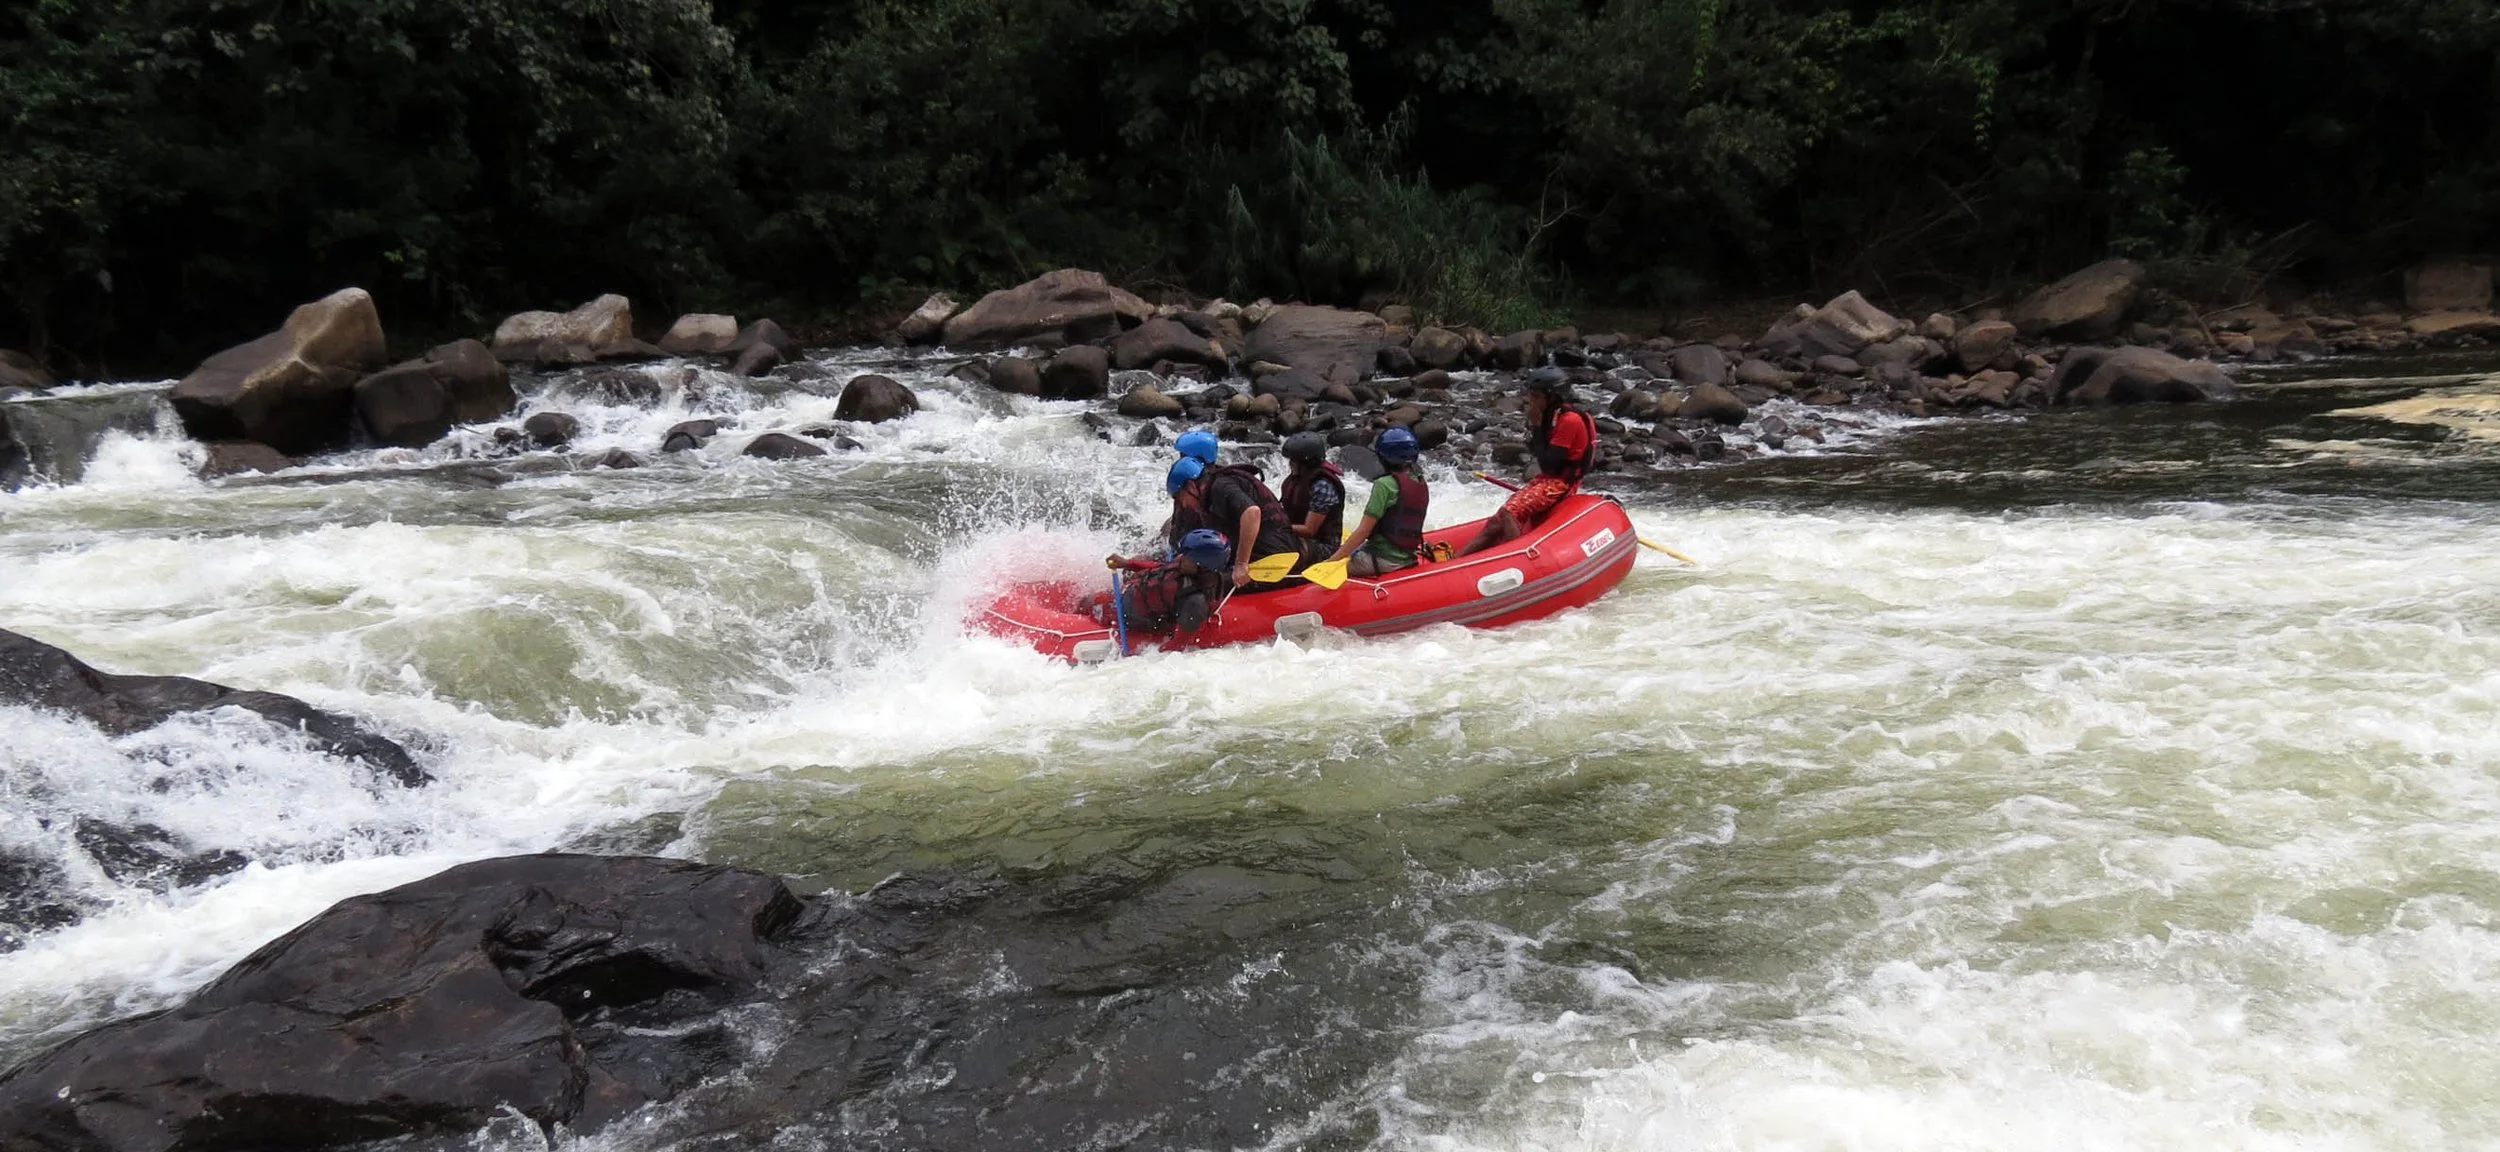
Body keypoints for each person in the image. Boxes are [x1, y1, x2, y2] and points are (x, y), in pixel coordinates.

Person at [1456, 368, 1595, 557]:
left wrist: (1537, 426)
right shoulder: (1556, 415)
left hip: (1561, 483)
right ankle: (1455, 560)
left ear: (1553, 396)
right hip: (1549, 478)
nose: (1532, 401)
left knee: (1509, 514)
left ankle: (1521, 558)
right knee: (1497, 520)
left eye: (1536, 396)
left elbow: (1549, 464)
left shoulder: (1570, 420)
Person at [1162, 435, 1304, 589]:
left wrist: (1241, 565)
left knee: (1206, 582)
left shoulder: (1221, 485)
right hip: (1258, 543)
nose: (1181, 503)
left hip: (1273, 548)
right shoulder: (1204, 485)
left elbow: (1252, 513)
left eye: (1183, 456)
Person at [1324, 427, 1431, 577]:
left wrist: (1331, 562)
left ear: (1383, 457)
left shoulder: (1384, 484)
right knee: (1354, 550)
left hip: (1383, 560)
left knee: (1333, 562)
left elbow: (1364, 531)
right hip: (1408, 557)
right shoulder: (1419, 481)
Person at [1094, 529, 1232, 634]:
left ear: (1204, 565)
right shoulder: (1189, 566)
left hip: (1134, 616)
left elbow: (1175, 646)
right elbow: (1163, 569)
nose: (1182, 557)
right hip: (1135, 594)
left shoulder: (1195, 603)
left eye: (1187, 557)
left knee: (1092, 605)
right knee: (1092, 599)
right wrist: (1128, 563)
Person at [1278, 432, 1347, 554]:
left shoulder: (1322, 485)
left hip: (1323, 545)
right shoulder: (1297, 478)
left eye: (1293, 461)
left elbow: (1309, 530)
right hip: (1298, 536)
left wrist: (1279, 528)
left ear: (1307, 462)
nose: (1290, 464)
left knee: (1274, 547)